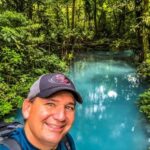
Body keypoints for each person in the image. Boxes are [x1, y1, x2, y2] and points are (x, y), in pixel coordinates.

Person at [0, 73, 83, 150]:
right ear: (27, 108)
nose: (61, 117)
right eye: (50, 104)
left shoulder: (66, 141)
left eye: (69, 107)